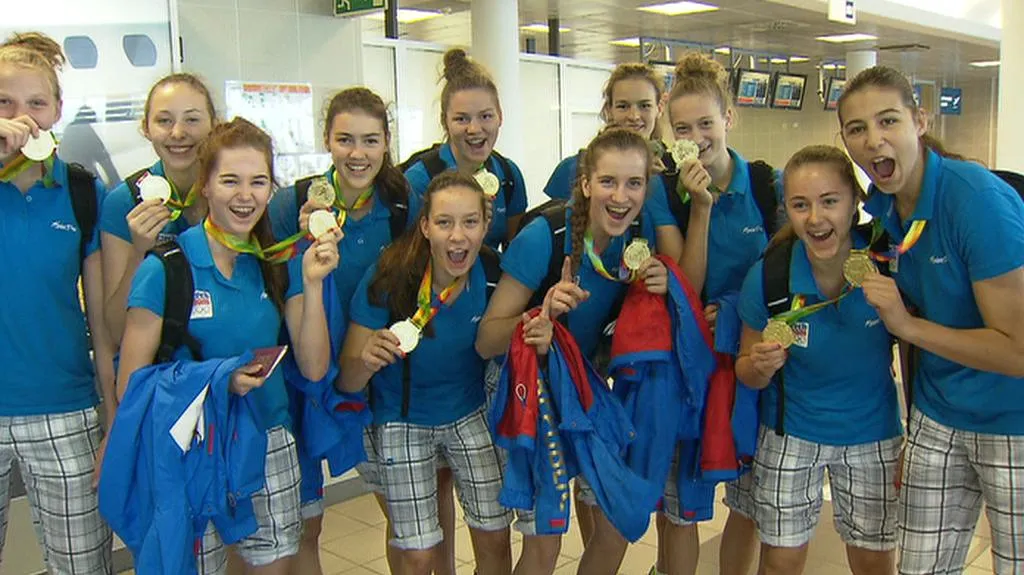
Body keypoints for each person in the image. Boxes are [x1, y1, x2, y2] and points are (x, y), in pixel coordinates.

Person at [116, 117, 340, 574]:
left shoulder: (278, 263)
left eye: (258, 182)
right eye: (230, 181)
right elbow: (130, 389)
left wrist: (313, 285)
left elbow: (314, 369)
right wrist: (217, 381)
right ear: (204, 185)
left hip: (268, 441)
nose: (245, 196)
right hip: (192, 449)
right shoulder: (167, 268)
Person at [838, 65, 1024, 575]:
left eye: (888, 121)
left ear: (919, 121)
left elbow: (1018, 350)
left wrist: (909, 327)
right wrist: (913, 431)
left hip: (1013, 421)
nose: (874, 140)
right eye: (857, 129)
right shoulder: (887, 213)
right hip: (938, 416)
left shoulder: (975, 200)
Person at [477, 127, 670, 575]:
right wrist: (536, 318)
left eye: (634, 183)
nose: (620, 196)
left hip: (585, 389)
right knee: (545, 543)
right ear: (585, 184)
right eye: (608, 182)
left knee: (617, 523)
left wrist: (661, 288)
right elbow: (486, 338)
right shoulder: (545, 237)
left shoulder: (638, 242)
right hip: (529, 391)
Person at [267, 86, 422, 575]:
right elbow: (267, 284)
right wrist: (296, 243)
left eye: (371, 141)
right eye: (345, 140)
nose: (358, 154)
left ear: (386, 142)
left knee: (403, 518)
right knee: (306, 524)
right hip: (307, 378)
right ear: (327, 141)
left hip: (375, 378)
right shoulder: (291, 203)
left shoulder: (401, 206)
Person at [735, 145, 902, 575]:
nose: (815, 218)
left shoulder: (889, 261)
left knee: (873, 563)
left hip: (873, 434)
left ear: (855, 203)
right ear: (787, 209)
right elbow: (745, 371)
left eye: (830, 201)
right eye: (800, 205)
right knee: (780, 563)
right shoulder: (771, 274)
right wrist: (760, 364)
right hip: (791, 434)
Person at [338, 171, 513, 575]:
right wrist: (365, 359)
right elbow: (347, 380)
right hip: (402, 419)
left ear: (486, 225)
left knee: (495, 537)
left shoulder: (491, 272)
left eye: (470, 222)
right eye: (444, 222)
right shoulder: (390, 276)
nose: (458, 237)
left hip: (470, 412)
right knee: (417, 553)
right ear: (425, 226)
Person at [663, 52, 785, 575]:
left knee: (751, 503)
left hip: (754, 354)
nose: (698, 136)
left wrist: (738, 314)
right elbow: (685, 285)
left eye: (707, 123)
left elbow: (784, 268)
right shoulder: (667, 194)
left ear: (729, 118)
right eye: (684, 127)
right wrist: (702, 207)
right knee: (681, 503)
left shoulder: (765, 185)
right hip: (692, 360)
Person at [0, 31, 115, 575]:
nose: (20, 118)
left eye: (35, 103)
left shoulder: (80, 191)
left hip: (63, 409)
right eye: (4, 102)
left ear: (56, 111)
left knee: (82, 566)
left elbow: (100, 314)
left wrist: (111, 414)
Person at [100, 73, 217, 342]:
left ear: (214, 124)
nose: (178, 133)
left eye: (192, 119)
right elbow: (117, 330)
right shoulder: (124, 201)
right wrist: (138, 251)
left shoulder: (231, 197)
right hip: (157, 366)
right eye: (164, 121)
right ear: (146, 128)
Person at [403, 48, 527, 251]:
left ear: (500, 116)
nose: (475, 129)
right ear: (445, 122)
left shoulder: (508, 175)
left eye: (486, 116)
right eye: (462, 119)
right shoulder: (420, 180)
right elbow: (410, 255)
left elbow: (514, 254)